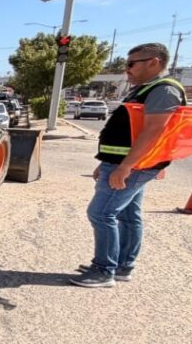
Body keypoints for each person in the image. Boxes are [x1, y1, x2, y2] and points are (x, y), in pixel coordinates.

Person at [70, 42, 186, 288]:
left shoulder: (164, 90)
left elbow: (154, 131)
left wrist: (125, 167)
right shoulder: (144, 89)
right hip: (127, 162)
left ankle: (104, 270)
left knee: (101, 213)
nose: (127, 69)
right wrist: (108, 163)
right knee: (128, 215)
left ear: (154, 62)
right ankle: (122, 266)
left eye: (132, 64)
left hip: (134, 165)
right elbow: (130, 131)